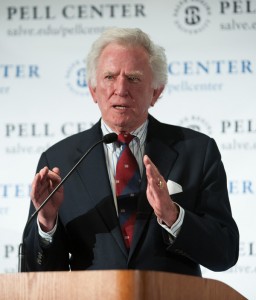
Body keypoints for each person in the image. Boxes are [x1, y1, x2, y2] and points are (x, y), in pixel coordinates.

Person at [23, 27, 239, 276]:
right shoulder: (59, 161)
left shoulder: (197, 152)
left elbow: (225, 252)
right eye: (109, 77)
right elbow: (37, 273)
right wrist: (47, 224)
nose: (121, 89)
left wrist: (172, 215)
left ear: (156, 92)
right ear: (94, 90)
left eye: (134, 78)